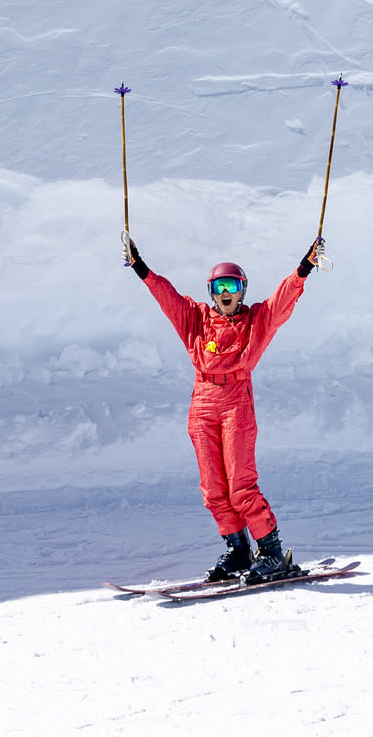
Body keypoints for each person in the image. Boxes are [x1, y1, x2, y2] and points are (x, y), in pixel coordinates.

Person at [127, 235, 322, 584]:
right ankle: (238, 550)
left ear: (242, 290)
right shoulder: (196, 319)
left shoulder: (255, 321)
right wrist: (141, 267)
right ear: (211, 291)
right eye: (219, 286)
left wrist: (304, 267)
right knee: (213, 488)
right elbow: (167, 297)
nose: (225, 292)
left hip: (236, 403)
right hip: (201, 403)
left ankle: (273, 553)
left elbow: (282, 300)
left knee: (240, 485)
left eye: (232, 285)